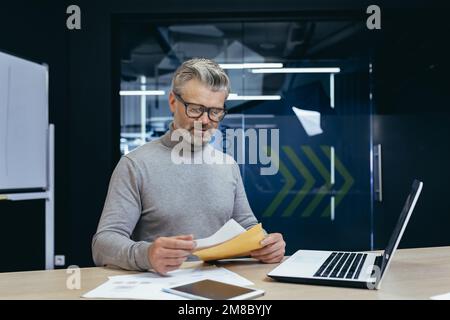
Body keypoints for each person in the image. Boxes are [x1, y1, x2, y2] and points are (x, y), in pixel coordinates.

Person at [92, 58, 285, 274]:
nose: (205, 121)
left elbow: (247, 226)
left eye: (215, 112)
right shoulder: (135, 165)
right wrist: (147, 255)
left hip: (220, 286)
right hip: (157, 289)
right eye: (195, 109)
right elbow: (103, 244)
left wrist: (266, 244)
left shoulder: (227, 165)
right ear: (173, 102)